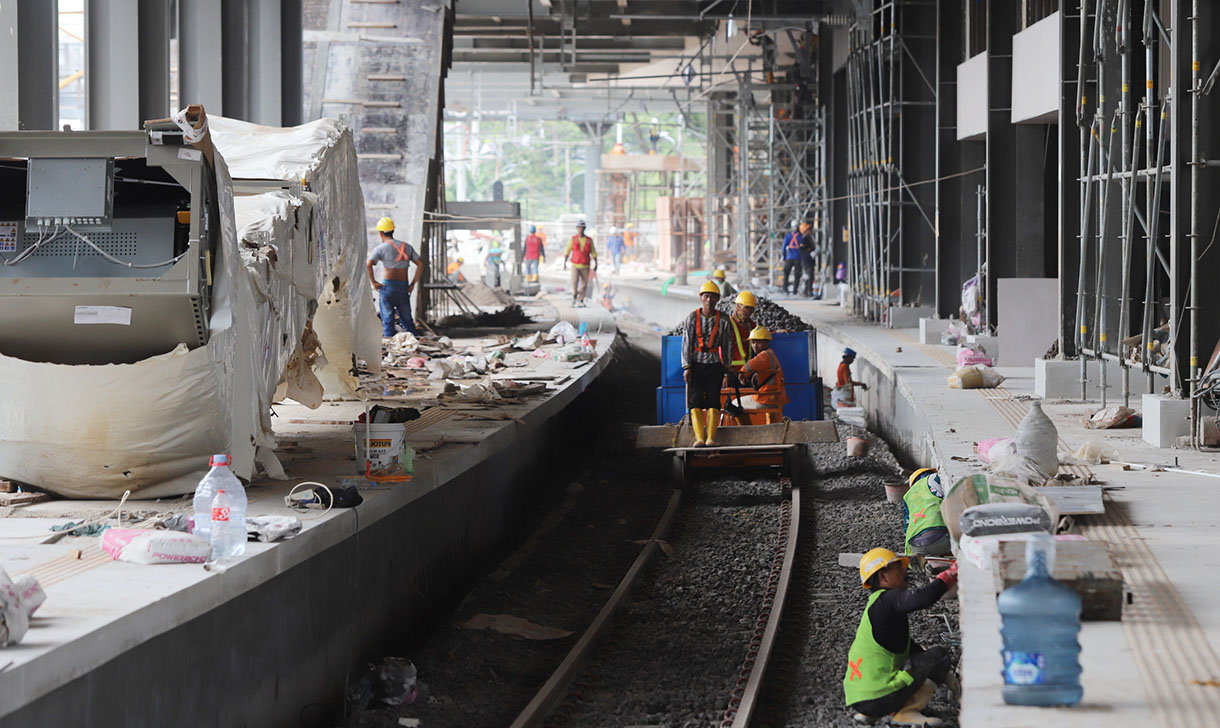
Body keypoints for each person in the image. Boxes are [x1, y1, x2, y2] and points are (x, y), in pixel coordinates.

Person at [844, 548, 958, 726]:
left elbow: (912, 651)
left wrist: (946, 675)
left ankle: (869, 715)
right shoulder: (887, 599)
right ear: (884, 577)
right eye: (898, 568)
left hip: (859, 698)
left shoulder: (876, 608)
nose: (905, 573)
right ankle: (906, 712)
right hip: (879, 695)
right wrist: (952, 574)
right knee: (939, 655)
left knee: (928, 658)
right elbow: (923, 598)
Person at [681, 281, 733, 447]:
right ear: (701, 298)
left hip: (715, 366)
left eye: (712, 296)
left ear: (718, 299)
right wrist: (687, 367)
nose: (709, 300)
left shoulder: (724, 320)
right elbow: (686, 343)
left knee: (713, 400)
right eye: (706, 296)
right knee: (695, 401)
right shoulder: (692, 318)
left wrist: (727, 369)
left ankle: (711, 437)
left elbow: (727, 345)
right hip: (696, 365)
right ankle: (699, 438)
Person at [367, 217, 424, 336]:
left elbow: (369, 264)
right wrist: (413, 284)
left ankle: (391, 349)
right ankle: (414, 345)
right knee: (407, 320)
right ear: (392, 231)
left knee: (388, 320)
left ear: (381, 233)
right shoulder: (407, 247)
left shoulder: (381, 248)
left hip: (388, 287)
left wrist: (374, 282)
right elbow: (420, 264)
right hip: (403, 287)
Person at [738, 326, 789, 424]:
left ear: (766, 342)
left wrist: (742, 376)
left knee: (735, 404)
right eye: (753, 343)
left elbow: (747, 368)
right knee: (772, 421)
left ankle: (747, 431)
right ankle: (770, 431)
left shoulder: (763, 356)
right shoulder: (771, 354)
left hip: (766, 398)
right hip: (774, 397)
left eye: (758, 342)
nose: (755, 346)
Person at [902, 469, 951, 557]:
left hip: (915, 546)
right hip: (939, 540)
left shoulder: (907, 496)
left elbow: (906, 526)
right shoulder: (934, 479)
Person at [563, 221, 598, 307]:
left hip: (585, 265)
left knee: (584, 283)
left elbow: (593, 252)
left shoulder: (589, 241)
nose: (580, 229)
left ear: (584, 228)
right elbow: (567, 251)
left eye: (582, 227)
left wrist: (596, 263)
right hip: (575, 265)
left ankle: (581, 299)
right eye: (579, 227)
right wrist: (564, 263)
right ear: (577, 228)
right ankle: (574, 295)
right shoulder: (573, 239)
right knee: (574, 281)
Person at [726, 290, 757, 372]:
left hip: (746, 370)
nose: (749, 311)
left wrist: (778, 332)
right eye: (746, 308)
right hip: (732, 370)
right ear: (738, 307)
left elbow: (760, 337)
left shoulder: (752, 325)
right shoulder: (728, 325)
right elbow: (721, 350)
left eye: (751, 308)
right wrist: (726, 371)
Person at [782, 221, 804, 295]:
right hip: (798, 257)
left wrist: (784, 257)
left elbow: (784, 247)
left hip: (789, 257)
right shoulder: (801, 236)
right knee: (797, 274)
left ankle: (785, 289)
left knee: (786, 274)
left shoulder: (788, 236)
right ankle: (795, 290)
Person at [799, 222, 817, 297]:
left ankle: (807, 291)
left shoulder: (809, 238)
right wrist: (810, 253)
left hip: (809, 260)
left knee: (810, 276)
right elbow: (802, 250)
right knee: (808, 276)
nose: (811, 230)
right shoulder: (804, 239)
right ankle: (808, 291)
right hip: (806, 260)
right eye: (809, 229)